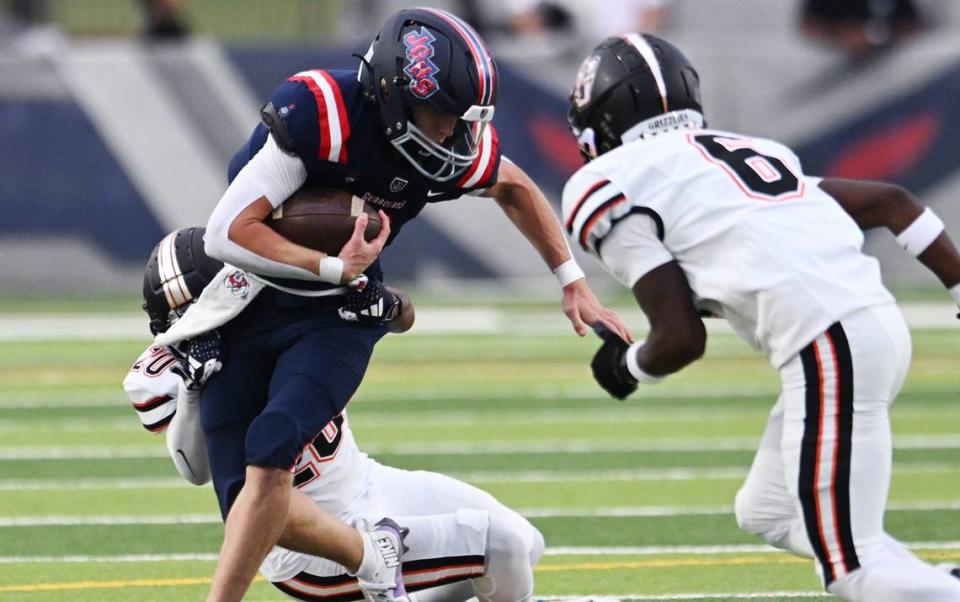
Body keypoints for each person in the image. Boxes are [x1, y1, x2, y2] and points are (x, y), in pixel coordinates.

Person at [198, 7, 630, 601]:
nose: (454, 136)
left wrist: (571, 278)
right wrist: (326, 262)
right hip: (256, 298)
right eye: (443, 117)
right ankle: (366, 556)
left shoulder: (444, 146)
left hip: (341, 312)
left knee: (272, 447)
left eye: (463, 120)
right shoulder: (321, 112)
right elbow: (223, 233)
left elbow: (513, 184)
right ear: (391, 96)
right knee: (239, 489)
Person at [562, 33, 960, 601]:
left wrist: (625, 367)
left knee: (853, 570)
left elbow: (679, 338)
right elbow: (893, 203)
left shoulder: (602, 183)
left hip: (831, 341)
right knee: (768, 511)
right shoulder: (748, 153)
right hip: (865, 330)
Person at [125, 227, 545, 602]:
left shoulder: (286, 303)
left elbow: (399, 314)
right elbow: (196, 471)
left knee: (528, 543)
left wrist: (375, 297)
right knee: (502, 544)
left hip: (366, 479)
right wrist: (196, 388)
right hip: (306, 548)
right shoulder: (180, 366)